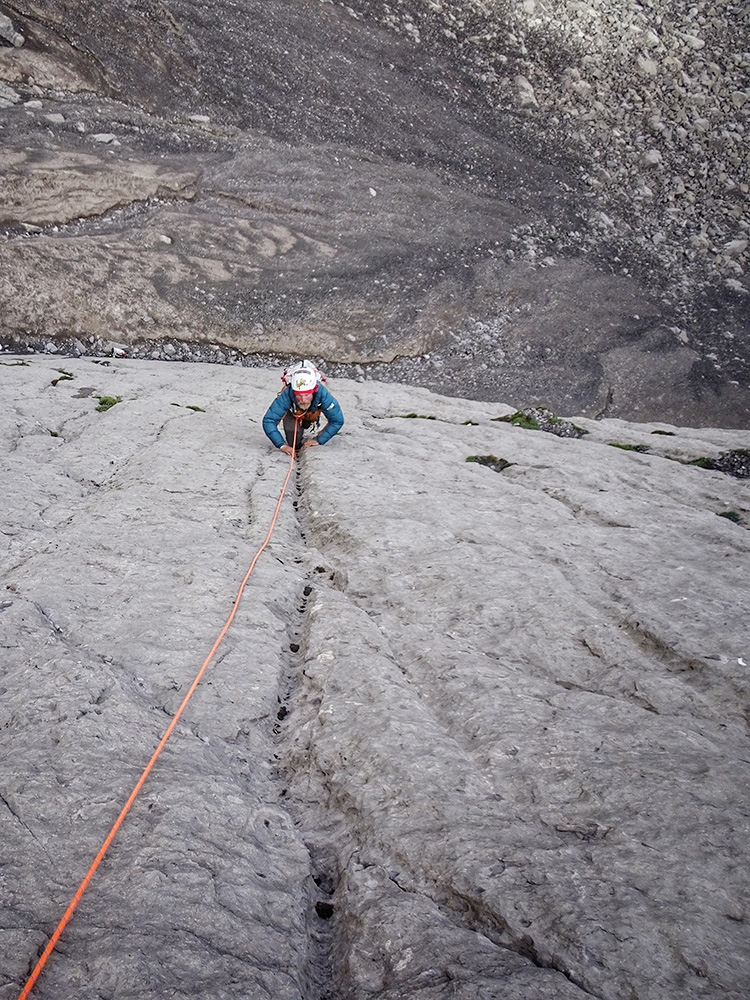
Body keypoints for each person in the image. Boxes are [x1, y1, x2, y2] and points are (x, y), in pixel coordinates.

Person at [262, 360, 344, 456]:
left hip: (313, 409)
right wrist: (282, 445)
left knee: (306, 422)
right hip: (293, 409)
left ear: (313, 390)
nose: (303, 399)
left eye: (306, 395)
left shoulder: (322, 394)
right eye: (299, 395)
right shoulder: (287, 393)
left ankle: (308, 421)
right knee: (293, 438)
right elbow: (269, 420)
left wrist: (319, 440)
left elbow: (337, 421)